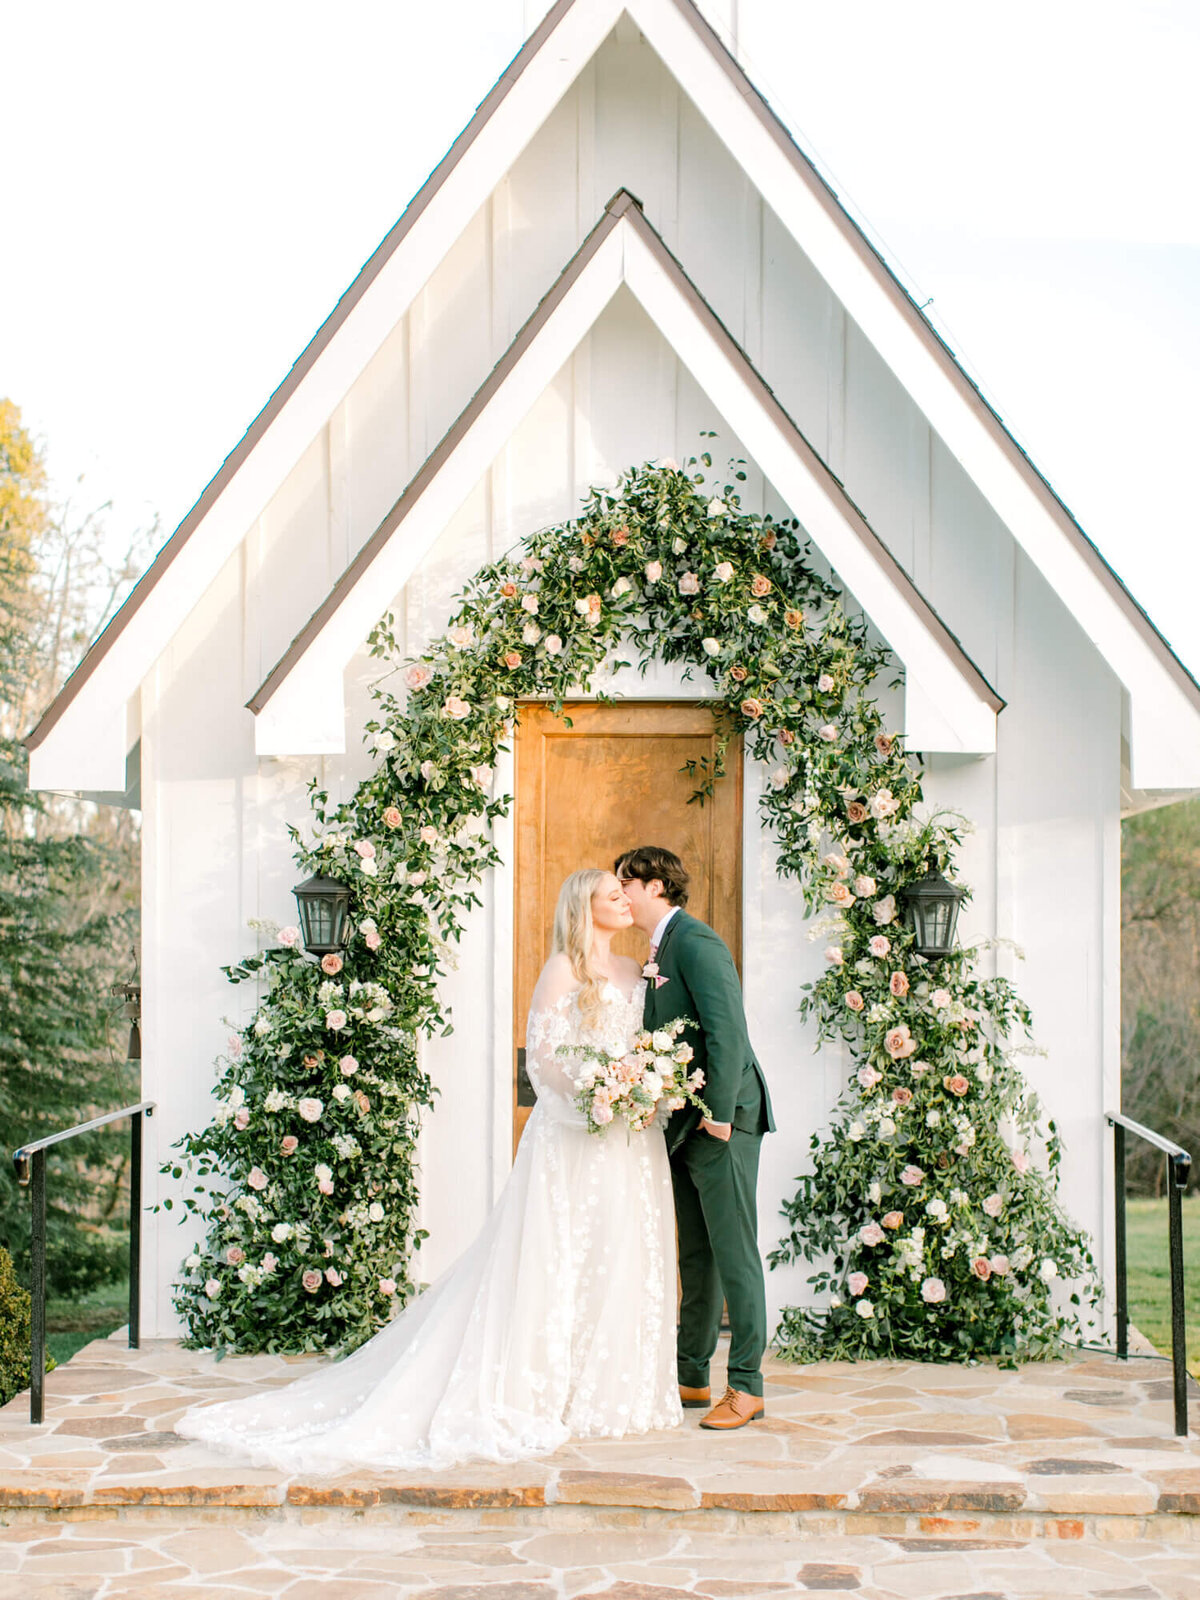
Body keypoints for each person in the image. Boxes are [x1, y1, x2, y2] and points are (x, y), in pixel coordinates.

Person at [176, 869, 681, 1471]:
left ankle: (608, 1390)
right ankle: (543, 1387)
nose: (625, 900)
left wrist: (644, 1089)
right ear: (584, 908)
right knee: (559, 1256)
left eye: (627, 893)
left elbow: (652, 1050)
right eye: (612, 894)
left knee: (618, 1255)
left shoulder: (636, 974)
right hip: (574, 1139)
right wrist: (596, 1095)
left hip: (628, 1142)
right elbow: (545, 1062)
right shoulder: (562, 972)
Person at [616, 845, 774, 1431]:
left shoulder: (698, 941)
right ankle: (691, 1375)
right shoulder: (661, 947)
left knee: (734, 1253)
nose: (621, 896)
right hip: (686, 1123)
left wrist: (724, 1113)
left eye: (625, 884)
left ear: (655, 885)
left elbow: (726, 1027)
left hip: (722, 1119)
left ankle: (749, 1387)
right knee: (696, 1254)